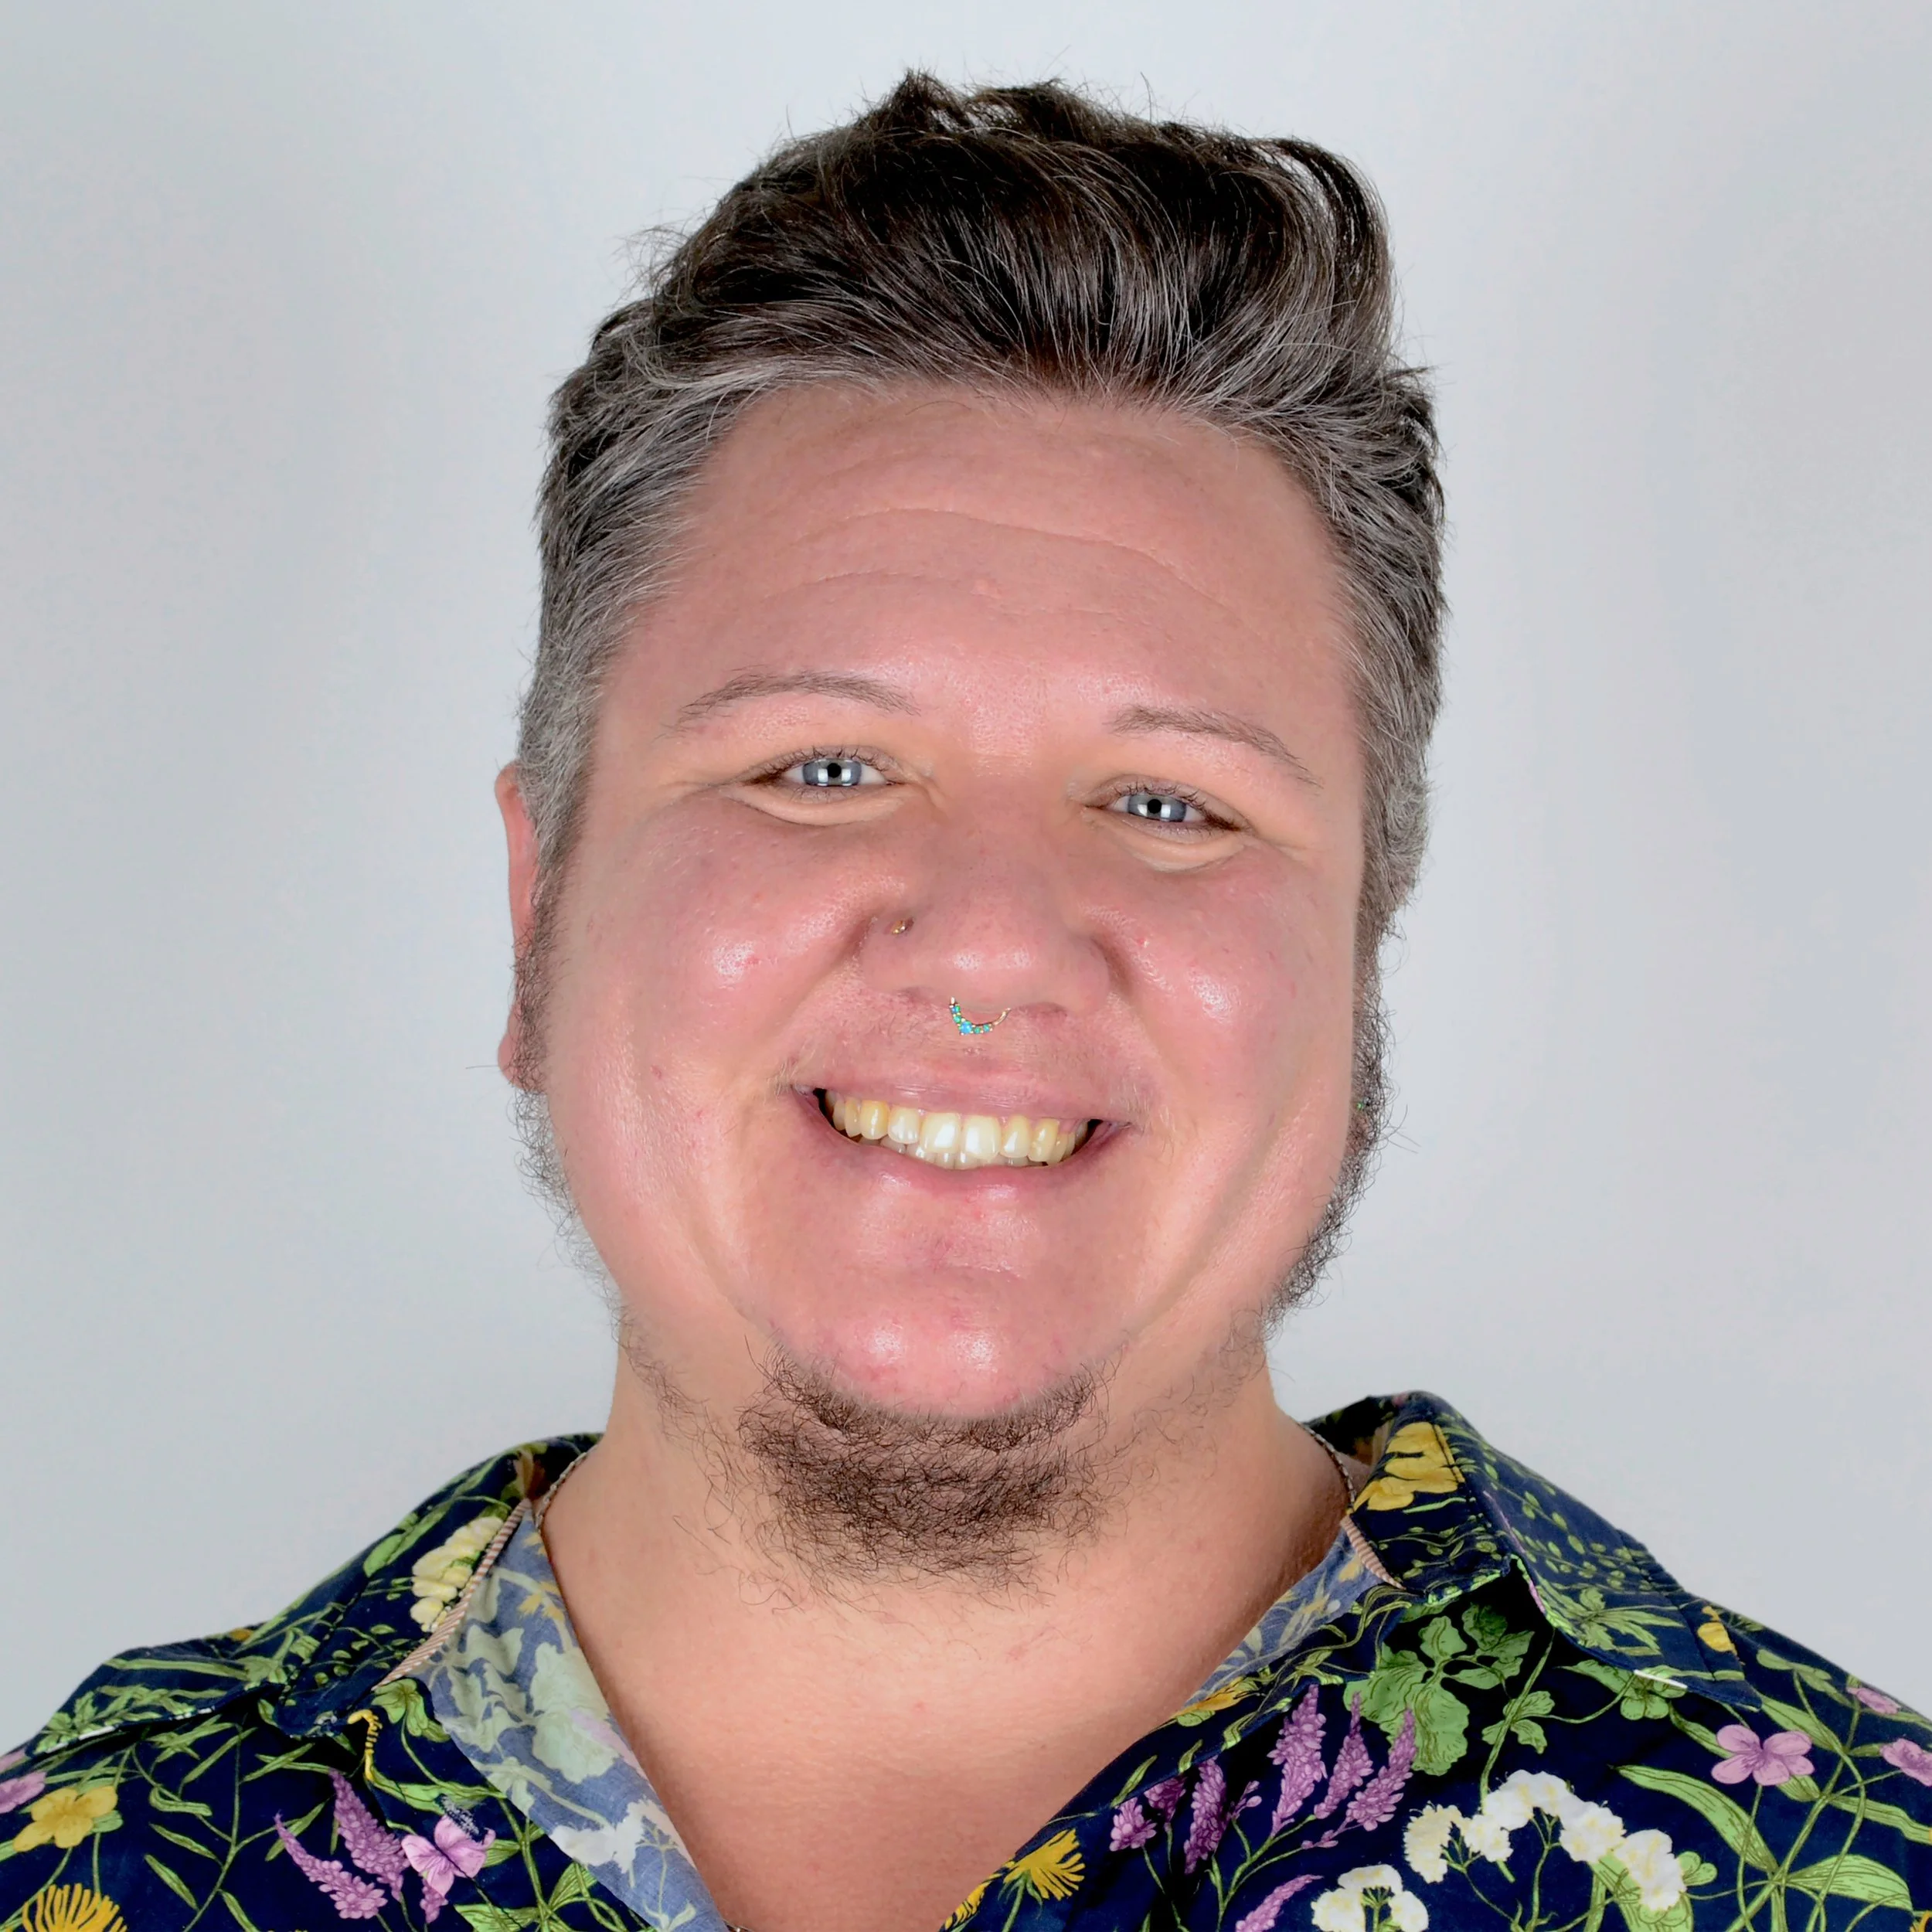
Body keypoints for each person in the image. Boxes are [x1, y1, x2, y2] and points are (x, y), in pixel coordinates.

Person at [3, 72, 1925, 1932]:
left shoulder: (1845, 1872)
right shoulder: (88, 1870)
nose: (994, 940)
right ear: (540, 909)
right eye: (821, 766)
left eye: (1169, 803)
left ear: (1357, 952)